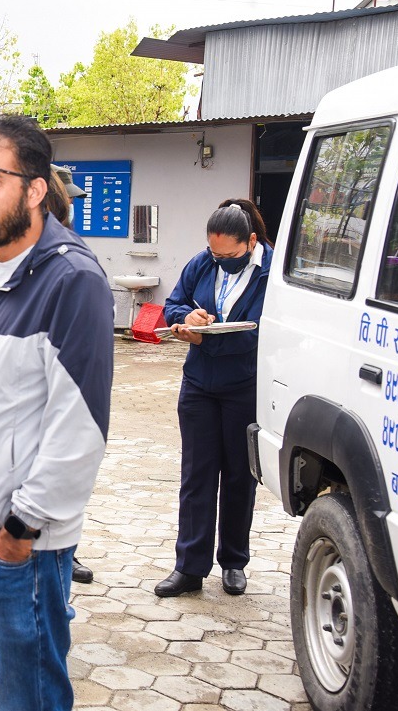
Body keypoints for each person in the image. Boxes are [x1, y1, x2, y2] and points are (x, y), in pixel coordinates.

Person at [0, 113, 114, 711]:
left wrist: (20, 530)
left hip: (16, 547)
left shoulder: (71, 280)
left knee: (28, 696)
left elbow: (81, 428)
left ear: (35, 190)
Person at [155, 199, 272, 599]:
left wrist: (206, 340)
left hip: (244, 386)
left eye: (229, 255)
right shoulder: (203, 263)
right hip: (199, 386)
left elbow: (259, 333)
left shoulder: (271, 273)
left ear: (250, 242)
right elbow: (173, 304)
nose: (220, 261)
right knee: (196, 477)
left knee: (239, 476)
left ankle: (234, 562)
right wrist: (186, 319)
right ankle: (189, 567)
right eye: (214, 253)